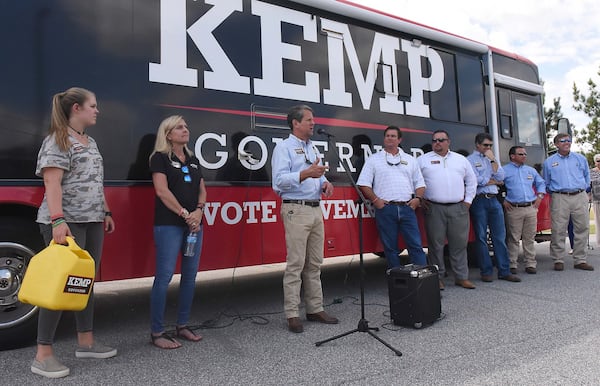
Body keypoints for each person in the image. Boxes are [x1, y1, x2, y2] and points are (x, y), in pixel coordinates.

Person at [32, 87, 116, 378]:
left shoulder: (89, 141)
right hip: (66, 222)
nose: (97, 110)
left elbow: (95, 181)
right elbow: (52, 184)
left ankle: (86, 342)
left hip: (92, 221)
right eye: (93, 105)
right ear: (76, 108)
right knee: (60, 284)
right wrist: (57, 221)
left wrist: (105, 211)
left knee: (85, 281)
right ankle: (43, 354)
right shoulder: (58, 140)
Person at [271, 105, 338, 333]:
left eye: (313, 119)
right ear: (295, 123)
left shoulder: (313, 148)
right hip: (295, 209)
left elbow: (318, 175)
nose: (313, 123)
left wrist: (325, 183)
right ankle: (292, 313)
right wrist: (305, 174)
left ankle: (315, 308)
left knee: (315, 263)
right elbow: (278, 181)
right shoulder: (284, 148)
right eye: (308, 120)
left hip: (315, 209)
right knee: (296, 264)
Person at [149, 115, 207, 348]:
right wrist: (186, 214)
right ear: (168, 134)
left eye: (186, 126)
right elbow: (162, 191)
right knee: (164, 278)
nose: (185, 130)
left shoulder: (192, 159)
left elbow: (202, 190)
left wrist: (199, 212)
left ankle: (182, 325)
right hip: (169, 225)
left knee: (190, 277)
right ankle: (157, 333)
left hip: (194, 226)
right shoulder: (159, 158)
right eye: (179, 127)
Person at [357, 125, 427, 268]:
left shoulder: (410, 160)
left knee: (415, 245)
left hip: (407, 208)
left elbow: (420, 183)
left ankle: (422, 279)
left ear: (399, 139)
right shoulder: (373, 160)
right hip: (386, 209)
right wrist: (376, 201)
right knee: (390, 249)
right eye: (387, 136)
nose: (389, 138)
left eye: (393, 136)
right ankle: (396, 280)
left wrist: (417, 199)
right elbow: (363, 184)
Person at [418, 130, 477, 290]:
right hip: (434, 208)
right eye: (435, 140)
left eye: (441, 140)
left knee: (459, 244)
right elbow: (414, 180)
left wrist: (467, 202)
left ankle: (461, 277)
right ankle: (437, 278)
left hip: (459, 207)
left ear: (448, 142)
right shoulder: (423, 160)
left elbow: (472, 181)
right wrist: (420, 198)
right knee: (435, 245)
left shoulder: (460, 160)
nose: (437, 143)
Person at [467, 133, 520, 283]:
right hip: (479, 201)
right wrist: (491, 181)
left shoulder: (492, 159)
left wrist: (492, 160)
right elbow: (474, 180)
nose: (488, 148)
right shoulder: (469, 160)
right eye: (485, 145)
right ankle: (486, 271)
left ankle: (504, 271)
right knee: (481, 237)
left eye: (490, 145)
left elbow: (501, 177)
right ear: (477, 145)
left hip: (494, 200)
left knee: (499, 237)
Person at [543, 133, 593, 271]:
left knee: (582, 228)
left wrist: (584, 191)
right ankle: (558, 259)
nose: (567, 142)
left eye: (569, 140)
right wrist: (556, 193)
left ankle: (580, 260)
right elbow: (546, 182)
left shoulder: (580, 158)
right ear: (556, 144)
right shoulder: (549, 162)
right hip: (560, 197)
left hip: (579, 195)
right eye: (563, 140)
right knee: (558, 229)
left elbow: (586, 176)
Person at [502, 146, 546, 274]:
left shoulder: (530, 170)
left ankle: (530, 264)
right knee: (513, 238)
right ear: (512, 156)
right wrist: (503, 200)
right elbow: (498, 185)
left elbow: (541, 183)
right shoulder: (504, 171)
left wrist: (540, 196)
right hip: (514, 209)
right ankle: (512, 264)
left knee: (529, 237)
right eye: (521, 154)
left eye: (525, 154)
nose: (524, 156)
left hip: (531, 208)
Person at [592, 154, 600, 246]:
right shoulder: (592, 172)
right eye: (598, 161)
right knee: (598, 221)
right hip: (597, 200)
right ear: (595, 162)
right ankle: (599, 242)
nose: (599, 162)